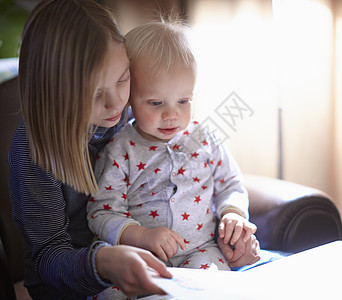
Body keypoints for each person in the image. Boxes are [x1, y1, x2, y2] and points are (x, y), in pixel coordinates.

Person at [8, 0, 174, 299]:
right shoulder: (35, 147)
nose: (116, 104)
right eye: (95, 94)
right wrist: (103, 262)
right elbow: (48, 258)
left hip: (142, 259)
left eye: (123, 79)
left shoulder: (130, 113)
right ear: (55, 89)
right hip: (71, 285)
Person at [87, 20, 259, 298]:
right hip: (140, 256)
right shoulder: (121, 149)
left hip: (201, 251)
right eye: (156, 103)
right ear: (130, 97)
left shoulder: (205, 137)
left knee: (218, 291)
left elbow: (231, 185)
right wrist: (140, 236)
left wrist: (233, 214)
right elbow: (101, 211)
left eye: (184, 101)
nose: (172, 115)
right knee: (110, 295)